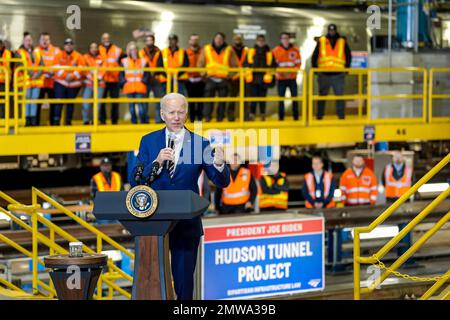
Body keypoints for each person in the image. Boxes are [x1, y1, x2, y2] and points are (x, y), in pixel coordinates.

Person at [132, 92, 229, 300]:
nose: (176, 117)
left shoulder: (199, 143)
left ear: (186, 115)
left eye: (181, 112)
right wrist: (156, 162)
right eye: (172, 112)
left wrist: (220, 165)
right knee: (152, 280)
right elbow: (136, 180)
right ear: (162, 114)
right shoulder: (149, 141)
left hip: (186, 224)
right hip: (154, 223)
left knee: (184, 283)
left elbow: (220, 181)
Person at [311, 23, 352, 120]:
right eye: (330, 30)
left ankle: (341, 116)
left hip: (338, 74)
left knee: (339, 96)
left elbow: (348, 55)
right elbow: (315, 55)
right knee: (322, 96)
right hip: (324, 74)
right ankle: (319, 116)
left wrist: (346, 69)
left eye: (333, 30)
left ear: (336, 30)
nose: (332, 32)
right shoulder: (322, 41)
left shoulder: (342, 41)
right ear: (328, 31)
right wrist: (315, 69)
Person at [197, 32, 238, 122]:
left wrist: (229, 76)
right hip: (210, 79)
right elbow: (200, 63)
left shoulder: (229, 50)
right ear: (214, 39)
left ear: (223, 40)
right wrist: (204, 74)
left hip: (224, 79)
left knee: (222, 101)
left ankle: (220, 118)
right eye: (217, 38)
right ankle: (207, 118)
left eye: (221, 39)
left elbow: (235, 65)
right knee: (208, 100)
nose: (219, 40)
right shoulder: (206, 49)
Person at [244, 34, 276, 121]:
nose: (261, 42)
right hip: (253, 79)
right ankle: (252, 114)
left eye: (262, 41)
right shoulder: (251, 52)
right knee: (253, 98)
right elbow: (246, 64)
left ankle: (262, 114)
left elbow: (273, 65)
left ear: (264, 42)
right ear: (256, 41)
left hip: (264, 80)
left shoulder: (269, 53)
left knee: (262, 98)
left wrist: (271, 78)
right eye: (259, 40)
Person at [53, 38, 84, 126]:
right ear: (64, 46)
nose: (69, 45)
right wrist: (66, 76)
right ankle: (56, 122)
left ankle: (68, 122)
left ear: (73, 46)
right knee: (59, 102)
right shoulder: (59, 55)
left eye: (70, 44)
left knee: (70, 103)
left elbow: (82, 69)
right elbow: (56, 67)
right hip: (61, 83)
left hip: (74, 84)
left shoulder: (78, 56)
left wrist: (72, 76)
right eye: (67, 44)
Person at [16, 32, 44, 126]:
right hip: (25, 82)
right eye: (27, 40)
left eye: (30, 40)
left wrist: (37, 74)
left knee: (34, 101)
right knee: (27, 101)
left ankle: (33, 121)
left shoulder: (37, 52)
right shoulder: (19, 52)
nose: (29, 42)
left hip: (36, 82)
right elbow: (20, 65)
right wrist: (32, 74)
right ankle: (27, 121)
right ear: (23, 41)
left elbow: (42, 65)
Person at [272, 32, 302, 121]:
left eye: (287, 38)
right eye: (283, 38)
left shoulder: (295, 51)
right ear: (280, 40)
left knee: (294, 98)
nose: (285, 40)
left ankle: (296, 117)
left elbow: (298, 63)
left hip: (292, 78)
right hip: (281, 79)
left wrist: (291, 72)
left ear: (289, 39)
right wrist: (280, 73)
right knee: (281, 99)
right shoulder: (275, 51)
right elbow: (273, 64)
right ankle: (281, 117)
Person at [119, 41, 149, 124]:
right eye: (131, 49)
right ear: (129, 51)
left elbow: (147, 73)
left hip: (140, 87)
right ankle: (134, 122)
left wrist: (144, 82)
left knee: (141, 107)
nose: (133, 51)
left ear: (137, 50)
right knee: (131, 107)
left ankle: (143, 122)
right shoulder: (124, 61)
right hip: (129, 87)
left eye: (135, 49)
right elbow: (121, 74)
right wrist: (124, 82)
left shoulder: (143, 61)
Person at [35, 32, 60, 125]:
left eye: (47, 39)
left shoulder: (56, 50)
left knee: (53, 103)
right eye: (43, 39)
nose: (45, 41)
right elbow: (35, 65)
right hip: (40, 82)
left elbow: (58, 63)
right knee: (37, 103)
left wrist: (53, 71)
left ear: (50, 40)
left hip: (52, 82)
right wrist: (46, 71)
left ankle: (52, 123)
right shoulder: (36, 51)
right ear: (39, 40)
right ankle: (36, 123)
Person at [99, 33, 124, 125]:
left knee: (115, 102)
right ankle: (102, 121)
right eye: (104, 38)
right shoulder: (98, 50)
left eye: (107, 38)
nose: (106, 40)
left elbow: (124, 62)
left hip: (114, 80)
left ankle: (114, 121)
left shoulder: (118, 50)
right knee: (101, 101)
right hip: (102, 80)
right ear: (101, 39)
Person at [139, 34, 163, 123]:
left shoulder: (159, 51)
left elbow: (161, 64)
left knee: (159, 100)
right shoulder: (141, 52)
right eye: (148, 40)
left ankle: (159, 119)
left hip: (156, 78)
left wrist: (154, 74)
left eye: (151, 40)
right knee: (144, 101)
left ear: (154, 41)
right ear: (145, 42)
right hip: (145, 79)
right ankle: (145, 120)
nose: (149, 42)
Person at [82, 42, 105, 125]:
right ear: (89, 48)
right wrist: (93, 78)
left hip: (100, 84)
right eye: (92, 47)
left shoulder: (102, 58)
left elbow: (103, 70)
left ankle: (95, 121)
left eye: (95, 47)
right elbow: (84, 69)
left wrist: (97, 77)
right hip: (89, 84)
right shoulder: (85, 57)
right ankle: (86, 120)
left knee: (97, 105)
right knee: (86, 103)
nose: (94, 49)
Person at [228, 34, 248, 122]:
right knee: (232, 98)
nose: (237, 40)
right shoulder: (229, 50)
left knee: (245, 98)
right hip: (233, 77)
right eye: (236, 39)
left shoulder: (246, 50)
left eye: (239, 39)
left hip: (244, 77)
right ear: (233, 40)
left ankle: (245, 116)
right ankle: (231, 116)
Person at [185, 34, 204, 122]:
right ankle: (192, 119)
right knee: (191, 101)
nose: (194, 41)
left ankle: (200, 119)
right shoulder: (186, 52)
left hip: (201, 79)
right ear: (189, 41)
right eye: (192, 40)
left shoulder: (202, 52)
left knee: (200, 101)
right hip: (190, 80)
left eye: (196, 40)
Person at [0, 39, 12, 119]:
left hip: (5, 81)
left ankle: (3, 118)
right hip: (4, 81)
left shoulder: (8, 53)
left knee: (4, 102)